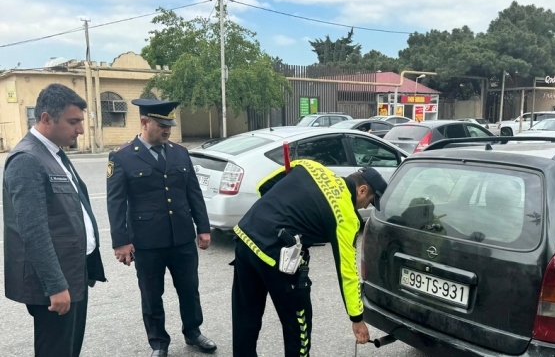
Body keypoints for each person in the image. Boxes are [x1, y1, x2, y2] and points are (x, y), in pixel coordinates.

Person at [232, 160, 388, 356]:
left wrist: (275, 217)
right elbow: (347, 273)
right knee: (298, 328)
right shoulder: (346, 216)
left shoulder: (310, 166)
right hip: (278, 256)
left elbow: (264, 186)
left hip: (246, 236)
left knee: (245, 316)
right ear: (362, 190)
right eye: (370, 202)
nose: (366, 207)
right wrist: (357, 318)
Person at [107, 99, 216, 357]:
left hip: (182, 238)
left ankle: (193, 332)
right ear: (144, 123)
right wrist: (121, 241)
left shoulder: (180, 152)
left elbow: (193, 192)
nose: (168, 130)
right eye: (162, 125)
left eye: (170, 125)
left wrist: (203, 227)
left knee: (189, 289)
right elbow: (115, 202)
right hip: (147, 242)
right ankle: (158, 343)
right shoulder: (122, 156)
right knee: (151, 295)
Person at [3, 84, 106, 357]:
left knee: (70, 349)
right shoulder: (27, 159)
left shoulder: (54, 152)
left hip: (73, 272)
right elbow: (32, 231)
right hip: (55, 283)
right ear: (46, 118)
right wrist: (56, 286)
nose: (81, 130)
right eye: (73, 122)